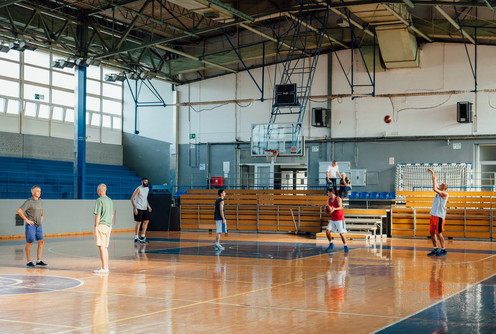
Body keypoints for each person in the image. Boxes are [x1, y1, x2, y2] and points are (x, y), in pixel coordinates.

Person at [17, 185, 47, 268]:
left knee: (41, 241)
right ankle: (28, 261)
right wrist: (26, 220)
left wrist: (41, 218)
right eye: (37, 191)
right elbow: (19, 211)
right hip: (31, 225)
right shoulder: (29, 201)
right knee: (29, 242)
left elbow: (41, 211)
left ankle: (38, 260)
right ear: (33, 192)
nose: (39, 192)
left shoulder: (40, 201)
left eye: (40, 191)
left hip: (39, 225)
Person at [427, 169, 449, 257]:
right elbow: (435, 186)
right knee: (431, 232)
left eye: (441, 185)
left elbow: (434, 188)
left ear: (443, 188)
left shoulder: (445, 194)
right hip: (433, 215)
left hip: (439, 216)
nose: (439, 185)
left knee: (439, 233)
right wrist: (432, 174)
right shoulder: (439, 193)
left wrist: (435, 179)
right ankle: (435, 248)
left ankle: (444, 249)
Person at [93, 184, 114, 274]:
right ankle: (106, 267)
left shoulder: (99, 200)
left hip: (101, 225)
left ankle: (104, 268)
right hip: (109, 226)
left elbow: (98, 214)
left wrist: (96, 225)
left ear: (99, 191)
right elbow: (112, 214)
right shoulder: (110, 200)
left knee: (101, 247)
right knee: (105, 247)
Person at [325, 188, 349, 253]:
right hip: (333, 218)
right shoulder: (328, 200)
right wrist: (328, 211)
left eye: (328, 192)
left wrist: (334, 209)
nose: (327, 194)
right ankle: (331, 243)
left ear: (331, 193)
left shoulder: (338, 198)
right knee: (327, 231)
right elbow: (328, 209)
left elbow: (341, 207)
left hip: (340, 218)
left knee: (341, 233)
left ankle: (345, 245)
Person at [131, 177, 152, 243]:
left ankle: (142, 236)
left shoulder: (147, 189)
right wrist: (135, 208)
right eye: (145, 181)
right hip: (138, 207)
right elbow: (132, 198)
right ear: (142, 182)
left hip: (144, 207)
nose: (146, 182)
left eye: (147, 181)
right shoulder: (138, 189)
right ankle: (136, 237)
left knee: (146, 221)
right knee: (139, 222)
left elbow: (145, 199)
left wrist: (148, 206)